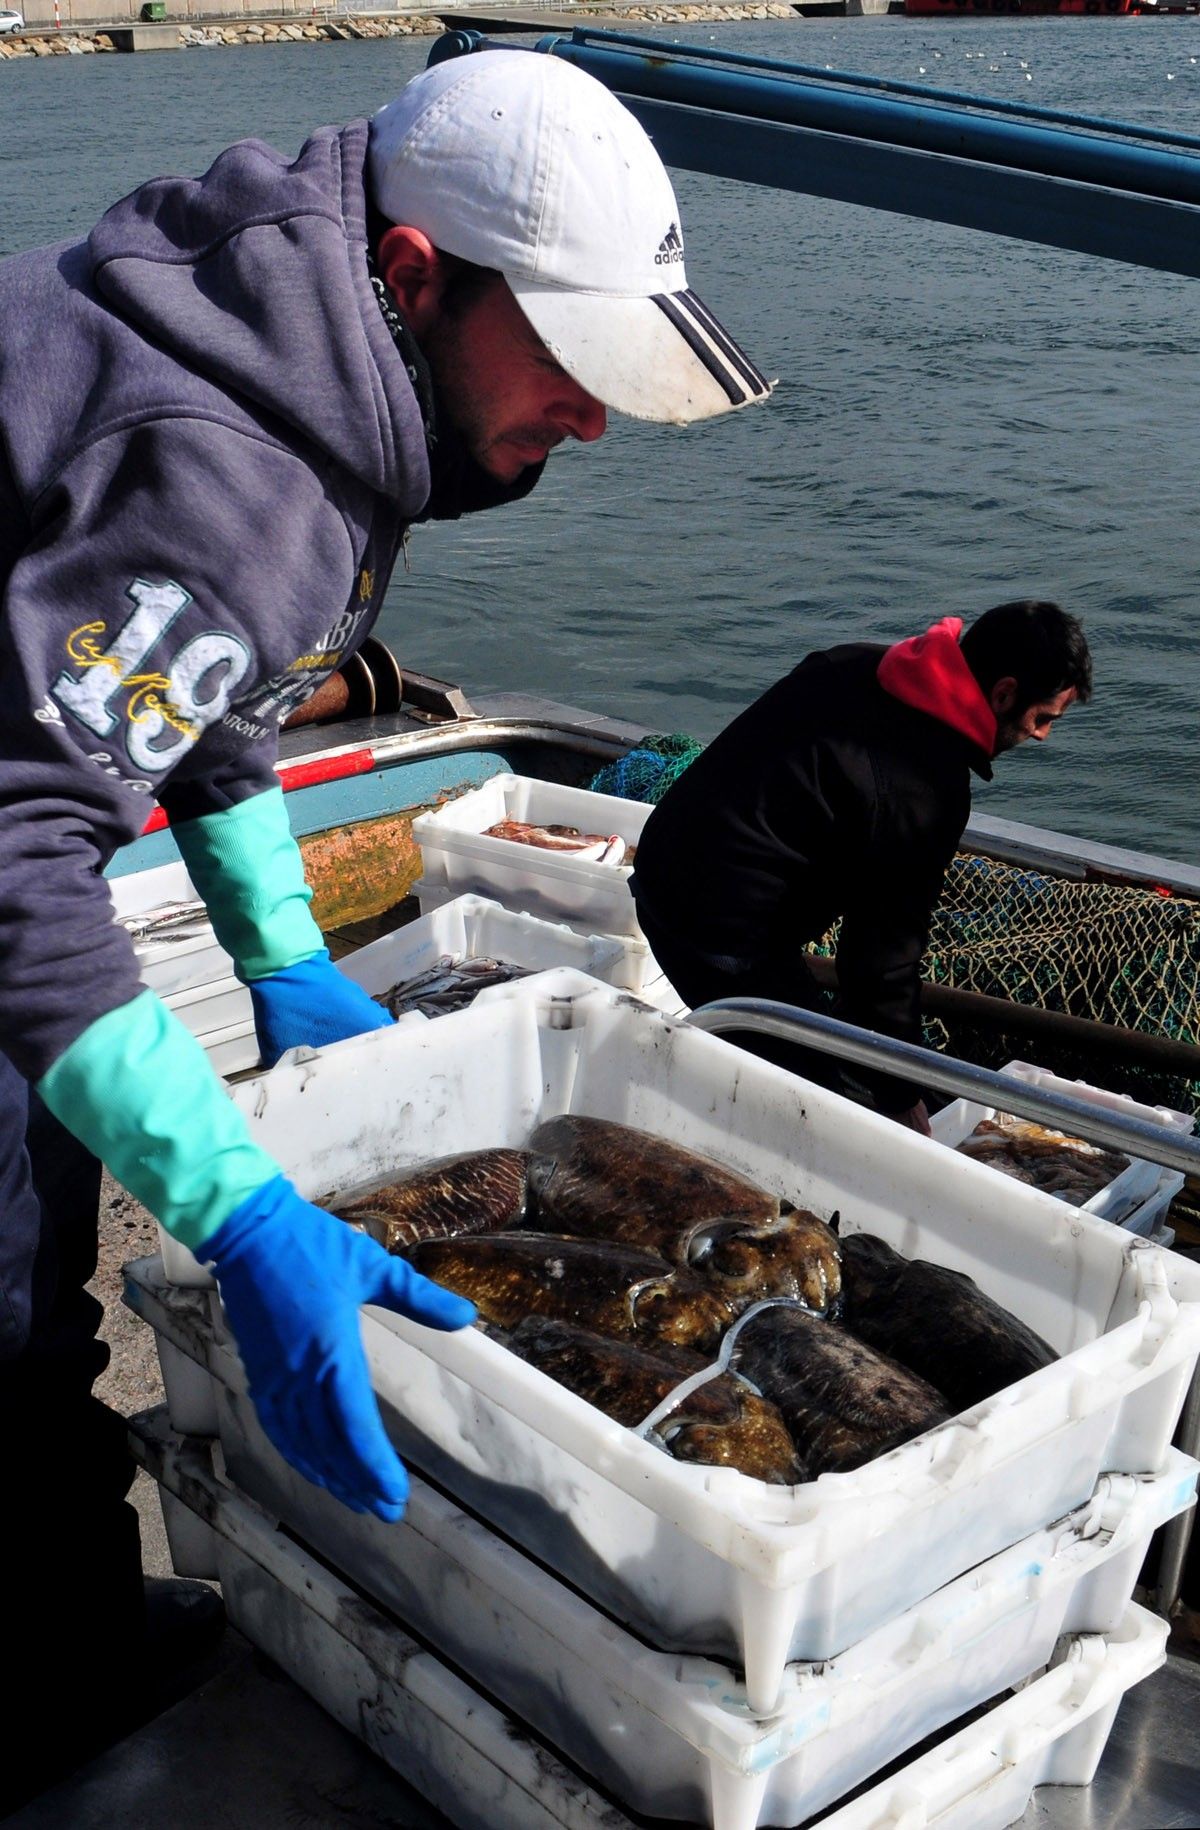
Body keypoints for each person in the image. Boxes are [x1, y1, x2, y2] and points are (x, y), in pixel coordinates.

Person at [0, 49, 772, 1804]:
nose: (589, 413)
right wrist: (243, 1211)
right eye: (567, 354)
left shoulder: (291, 353)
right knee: (10, 1317)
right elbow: (20, 855)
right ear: (416, 272)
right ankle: (40, 1701)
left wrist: (278, 953)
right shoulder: (239, 466)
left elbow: (211, 694)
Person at [630, 602, 1092, 1130]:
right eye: (1043, 718)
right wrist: (897, 1093)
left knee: (821, 1053)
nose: (1042, 736)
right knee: (825, 1106)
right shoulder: (926, 788)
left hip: (667, 864)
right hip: (714, 930)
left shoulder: (856, 663)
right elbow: (879, 961)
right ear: (1004, 693)